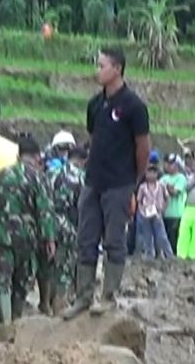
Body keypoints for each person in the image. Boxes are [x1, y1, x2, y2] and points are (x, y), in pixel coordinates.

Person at [64, 47, 149, 319]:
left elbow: (143, 147)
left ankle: (109, 295)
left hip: (119, 183)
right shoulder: (94, 105)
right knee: (85, 239)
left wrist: (134, 180)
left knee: (114, 240)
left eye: (102, 65)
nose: (97, 70)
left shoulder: (134, 106)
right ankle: (83, 296)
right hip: (93, 181)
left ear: (117, 69)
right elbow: (93, 138)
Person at [0, 135, 56, 328]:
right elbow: (45, 211)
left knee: (2, 281)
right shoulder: (39, 179)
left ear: (18, 156)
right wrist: (49, 239)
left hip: (0, 235)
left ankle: (5, 324)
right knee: (22, 281)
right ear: (36, 157)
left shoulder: (0, 175)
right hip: (26, 238)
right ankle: (16, 321)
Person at [46, 145, 85, 313]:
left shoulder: (51, 173)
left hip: (47, 223)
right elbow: (84, 206)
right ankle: (59, 305)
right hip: (68, 225)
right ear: (83, 161)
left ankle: (45, 302)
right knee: (65, 268)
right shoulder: (81, 177)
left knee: (48, 264)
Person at [136, 165, 173, 259]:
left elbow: (167, 198)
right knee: (147, 237)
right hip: (145, 214)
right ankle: (149, 256)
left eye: (153, 173)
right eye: (149, 172)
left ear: (157, 174)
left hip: (157, 214)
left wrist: (163, 209)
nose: (151, 175)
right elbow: (139, 201)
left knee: (162, 236)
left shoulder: (161, 186)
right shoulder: (142, 187)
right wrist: (142, 211)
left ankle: (169, 255)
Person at [161, 153, 187, 252]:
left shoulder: (181, 178)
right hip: (165, 214)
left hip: (177, 214)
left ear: (177, 165)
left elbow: (175, 192)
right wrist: (168, 188)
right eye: (168, 163)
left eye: (172, 164)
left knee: (174, 238)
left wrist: (167, 188)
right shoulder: (163, 178)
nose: (169, 166)